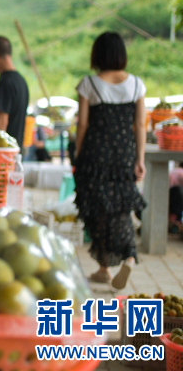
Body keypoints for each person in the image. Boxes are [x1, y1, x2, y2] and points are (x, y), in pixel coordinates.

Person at [74, 31, 146, 289]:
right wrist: (140, 159)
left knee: (96, 208)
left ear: (98, 55)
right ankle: (115, 263)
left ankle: (115, 262)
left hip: (96, 155)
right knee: (121, 207)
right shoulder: (137, 84)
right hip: (124, 156)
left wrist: (78, 153)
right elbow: (140, 124)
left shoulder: (89, 84)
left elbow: (82, 124)